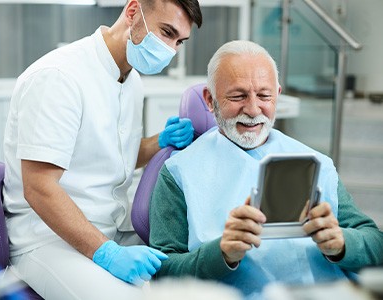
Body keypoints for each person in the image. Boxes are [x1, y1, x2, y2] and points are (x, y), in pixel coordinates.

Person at [148, 40, 383, 299]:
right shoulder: (180, 172)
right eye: (238, 96)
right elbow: (162, 273)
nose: (252, 109)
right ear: (209, 99)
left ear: (278, 94)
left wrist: (342, 244)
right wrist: (221, 254)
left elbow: (376, 245)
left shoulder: (316, 163)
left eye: (264, 95)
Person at [3, 0, 202, 299]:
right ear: (133, 12)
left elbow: (112, 156)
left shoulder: (131, 81)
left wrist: (160, 141)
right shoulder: (60, 76)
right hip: (47, 239)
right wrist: (107, 254)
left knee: (189, 276)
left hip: (109, 228)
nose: (171, 50)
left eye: (179, 41)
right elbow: (39, 188)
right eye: (166, 32)